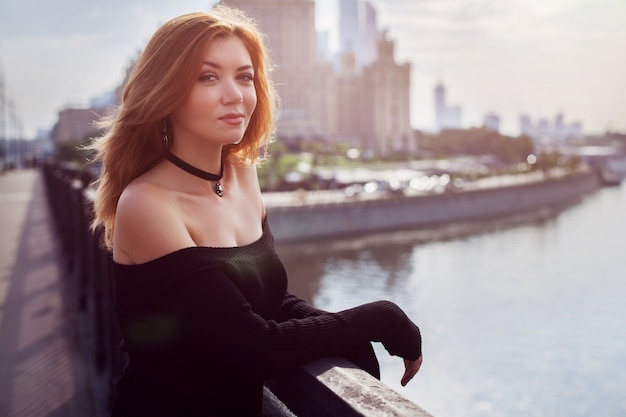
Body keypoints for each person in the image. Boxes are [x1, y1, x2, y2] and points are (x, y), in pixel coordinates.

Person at [89, 5, 422, 417]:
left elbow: (269, 299)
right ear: (166, 91)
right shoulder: (147, 203)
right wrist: (379, 318)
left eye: (244, 76)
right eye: (208, 76)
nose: (235, 94)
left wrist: (337, 331)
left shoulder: (242, 174)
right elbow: (254, 347)